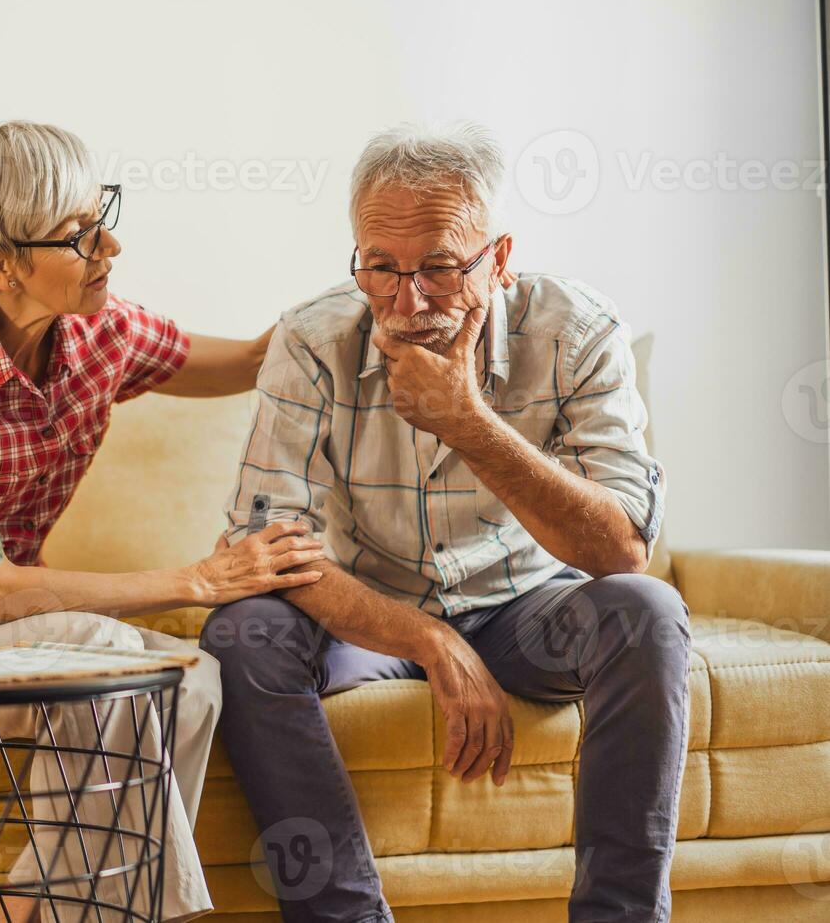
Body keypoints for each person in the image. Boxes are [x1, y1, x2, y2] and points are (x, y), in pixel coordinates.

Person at [0, 120, 328, 922]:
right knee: (104, 658)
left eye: (102, 214)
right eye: (79, 235)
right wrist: (198, 581)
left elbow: (254, 360)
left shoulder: (99, 331)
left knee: (192, 679)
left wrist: (360, 303)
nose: (110, 246)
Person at [201, 122, 689, 923]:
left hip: (525, 608)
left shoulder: (578, 330)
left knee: (650, 614)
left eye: (438, 267)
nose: (407, 299)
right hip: (366, 612)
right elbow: (268, 544)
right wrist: (432, 640)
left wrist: (468, 422)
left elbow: (623, 550)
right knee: (242, 631)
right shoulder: (312, 337)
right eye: (380, 268)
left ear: (498, 259)